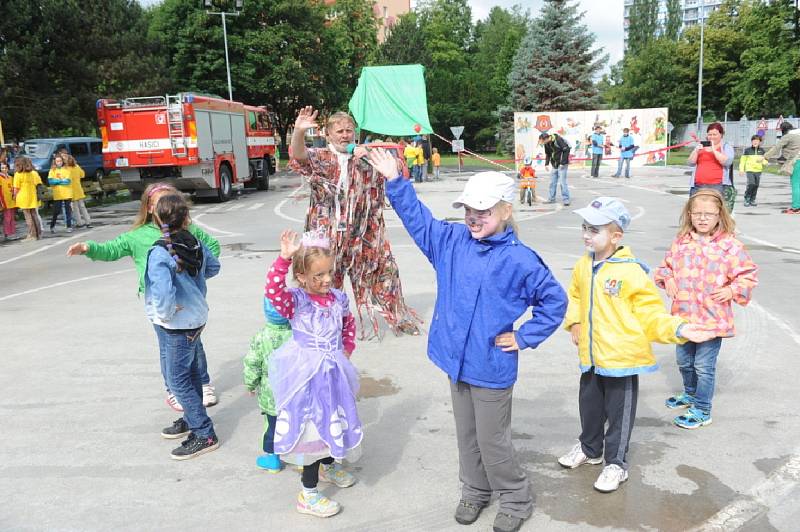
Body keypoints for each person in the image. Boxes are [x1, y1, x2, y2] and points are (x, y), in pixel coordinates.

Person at [371, 148, 568, 532]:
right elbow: (419, 222)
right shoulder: (451, 241)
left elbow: (554, 301)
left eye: (484, 211)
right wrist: (396, 182)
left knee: (493, 442)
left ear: (506, 211)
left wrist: (525, 336)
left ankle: (515, 497)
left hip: (491, 365)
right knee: (467, 436)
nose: (473, 218)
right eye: (468, 211)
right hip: (455, 361)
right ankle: (475, 490)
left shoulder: (521, 259)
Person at [559, 197, 714, 493]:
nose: (586, 235)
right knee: (589, 407)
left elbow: (650, 313)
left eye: (594, 229)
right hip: (591, 357)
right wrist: (575, 322)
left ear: (616, 236)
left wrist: (679, 328)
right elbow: (576, 296)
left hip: (623, 360)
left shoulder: (631, 271)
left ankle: (616, 463)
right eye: (584, 227)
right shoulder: (583, 265)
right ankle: (590, 449)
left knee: (619, 415)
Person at [66, 183, 220, 410]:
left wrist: (195, 273)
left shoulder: (189, 230)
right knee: (168, 348)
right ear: (149, 208)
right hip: (159, 303)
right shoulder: (137, 236)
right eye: (159, 204)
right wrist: (88, 247)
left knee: (195, 346)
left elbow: (212, 248)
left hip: (189, 303)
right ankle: (174, 389)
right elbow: (111, 249)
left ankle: (203, 383)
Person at [288, 106, 420, 337]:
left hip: (365, 232)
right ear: (328, 135)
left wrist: (368, 154)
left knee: (385, 271)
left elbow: (398, 169)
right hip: (327, 234)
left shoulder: (365, 156)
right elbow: (299, 156)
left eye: (349, 130)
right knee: (324, 278)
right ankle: (324, 323)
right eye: (339, 131)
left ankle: (397, 316)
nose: (345, 135)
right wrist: (298, 132)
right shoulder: (322, 158)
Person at [266, 229, 362, 518]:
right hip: (306, 378)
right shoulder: (296, 300)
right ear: (302, 276)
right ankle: (307, 494)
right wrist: (283, 259)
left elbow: (347, 324)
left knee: (335, 419)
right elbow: (273, 291)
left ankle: (329, 465)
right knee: (312, 431)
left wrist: (346, 348)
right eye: (317, 275)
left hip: (332, 372)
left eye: (328, 273)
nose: (325, 280)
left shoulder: (338, 298)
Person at [654, 189, 758, 428]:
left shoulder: (730, 246)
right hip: (683, 318)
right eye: (697, 213)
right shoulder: (681, 242)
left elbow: (748, 275)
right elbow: (665, 268)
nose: (702, 218)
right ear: (689, 214)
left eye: (708, 214)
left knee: (703, 366)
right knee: (684, 361)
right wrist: (667, 278)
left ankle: (702, 409)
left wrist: (732, 291)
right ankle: (690, 393)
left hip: (712, 320)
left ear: (719, 215)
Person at [145, 194, 221, 459]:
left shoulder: (158, 252)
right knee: (189, 374)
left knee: (176, 380)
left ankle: (204, 432)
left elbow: (163, 293)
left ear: (157, 219)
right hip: (197, 317)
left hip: (175, 324)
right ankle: (191, 418)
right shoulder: (196, 242)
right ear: (186, 218)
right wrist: (195, 286)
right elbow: (213, 267)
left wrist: (166, 314)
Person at [243, 296, 293, 473]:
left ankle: (273, 460)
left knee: (272, 426)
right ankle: (302, 459)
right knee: (297, 425)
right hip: (295, 393)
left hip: (271, 394)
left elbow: (252, 363)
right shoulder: (297, 334)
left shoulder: (261, 337)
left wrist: (250, 384)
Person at [687, 122, 735, 200]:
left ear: (721, 135)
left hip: (717, 186)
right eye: (709, 134)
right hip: (698, 185)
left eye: (714, 134)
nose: (711, 137)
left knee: (714, 210)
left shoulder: (726, 147)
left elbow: (727, 162)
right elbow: (690, 163)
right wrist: (696, 151)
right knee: (696, 210)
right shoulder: (701, 147)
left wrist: (714, 150)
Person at [764, 121, 800, 214]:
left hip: (797, 162)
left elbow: (777, 147)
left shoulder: (788, 136)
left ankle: (796, 208)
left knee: (796, 184)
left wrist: (765, 156)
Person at [11, 156, 43, 241]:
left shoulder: (18, 174)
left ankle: (31, 235)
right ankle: (38, 233)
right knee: (34, 214)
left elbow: (16, 188)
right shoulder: (33, 173)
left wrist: (14, 196)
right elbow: (38, 184)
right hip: (32, 195)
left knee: (28, 216)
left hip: (23, 196)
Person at [539, 132, 571, 206]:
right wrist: (546, 164)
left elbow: (566, 149)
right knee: (552, 182)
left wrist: (563, 162)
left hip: (562, 164)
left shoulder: (558, 139)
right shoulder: (547, 144)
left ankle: (566, 199)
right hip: (555, 164)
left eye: (543, 141)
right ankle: (551, 199)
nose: (542, 143)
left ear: (547, 138)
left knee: (562, 182)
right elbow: (548, 154)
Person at [47, 154, 73, 233]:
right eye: (57, 161)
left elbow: (68, 181)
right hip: (58, 194)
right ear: (55, 162)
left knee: (68, 210)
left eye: (60, 161)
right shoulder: (52, 170)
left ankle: (69, 226)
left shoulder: (67, 169)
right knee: (56, 211)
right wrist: (61, 181)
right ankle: (52, 226)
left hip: (67, 193)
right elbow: (51, 181)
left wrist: (57, 181)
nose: (59, 162)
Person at [740, 135, 767, 207]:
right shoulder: (747, 150)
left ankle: (752, 199)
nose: (755, 142)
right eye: (754, 140)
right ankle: (747, 198)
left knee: (756, 185)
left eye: (757, 140)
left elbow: (765, 160)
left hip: (758, 171)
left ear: (760, 142)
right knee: (751, 183)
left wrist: (764, 162)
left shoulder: (762, 151)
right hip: (749, 170)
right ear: (751, 141)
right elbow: (743, 161)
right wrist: (741, 170)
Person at [66, 154, 92, 228]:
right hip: (78, 189)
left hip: (71, 190)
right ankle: (88, 221)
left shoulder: (66, 169)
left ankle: (79, 222)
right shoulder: (77, 167)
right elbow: (82, 175)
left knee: (75, 208)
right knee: (82, 207)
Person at [0, 162, 17, 240]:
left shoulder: (11, 178)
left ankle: (12, 233)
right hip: (4, 200)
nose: (4, 169)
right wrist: (1, 202)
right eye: (2, 168)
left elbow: (13, 189)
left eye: (5, 168)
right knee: (7, 217)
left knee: (12, 217)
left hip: (12, 200)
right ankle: (7, 233)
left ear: (8, 168)